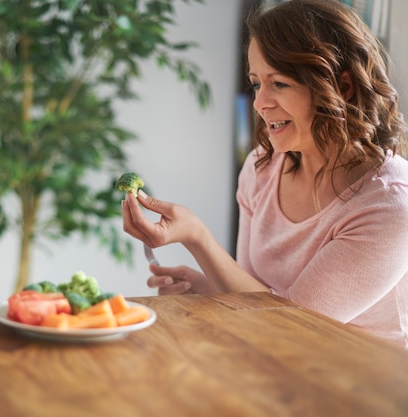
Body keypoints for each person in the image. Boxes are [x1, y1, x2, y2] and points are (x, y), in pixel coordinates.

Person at [121, 0, 408, 346]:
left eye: (280, 84)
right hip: (278, 366)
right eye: (257, 83)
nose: (259, 103)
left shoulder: (390, 205)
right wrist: (206, 287)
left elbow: (293, 329)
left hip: (357, 386)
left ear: (343, 88)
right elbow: (258, 298)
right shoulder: (263, 167)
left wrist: (197, 237)